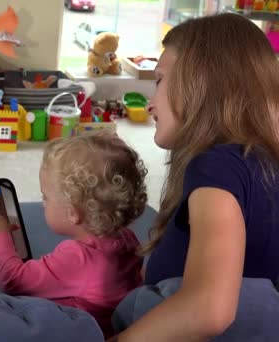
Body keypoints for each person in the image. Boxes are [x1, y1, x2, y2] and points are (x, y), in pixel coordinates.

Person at [110, 13, 279, 341]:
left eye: (159, 80)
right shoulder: (260, 162)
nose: (150, 104)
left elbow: (209, 309)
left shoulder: (216, 165)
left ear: (200, 84)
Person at [0, 133, 147, 337]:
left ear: (72, 213)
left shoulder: (77, 257)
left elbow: (12, 280)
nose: (43, 203)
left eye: (45, 197)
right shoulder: (127, 237)